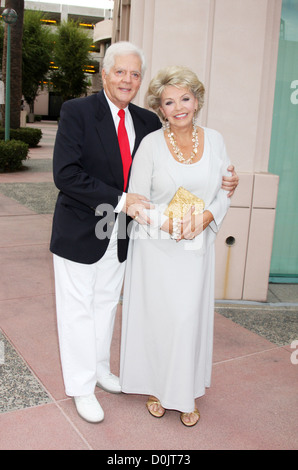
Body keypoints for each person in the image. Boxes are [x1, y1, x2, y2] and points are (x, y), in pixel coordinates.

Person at [50, 41, 239, 424]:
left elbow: (173, 168)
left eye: (135, 74)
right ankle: (81, 388)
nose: (127, 79)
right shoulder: (77, 111)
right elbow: (65, 175)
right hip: (82, 229)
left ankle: (101, 370)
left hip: (124, 236)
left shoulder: (148, 121)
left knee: (105, 307)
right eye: (120, 71)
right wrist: (123, 202)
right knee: (77, 313)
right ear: (104, 73)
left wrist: (227, 183)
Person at [120, 65, 233, 427]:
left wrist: (206, 218)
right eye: (169, 102)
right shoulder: (150, 144)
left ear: (196, 100)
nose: (178, 107)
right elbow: (136, 203)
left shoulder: (215, 140)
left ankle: (183, 392)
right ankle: (157, 386)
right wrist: (169, 224)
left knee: (186, 320)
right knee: (159, 321)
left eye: (184, 98)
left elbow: (225, 190)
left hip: (195, 247)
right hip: (155, 248)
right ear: (160, 109)